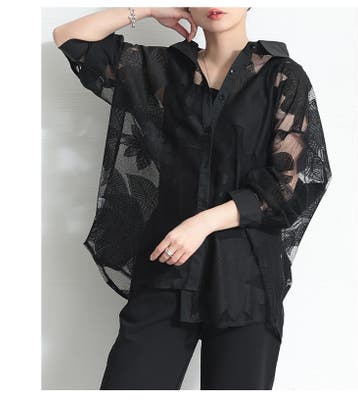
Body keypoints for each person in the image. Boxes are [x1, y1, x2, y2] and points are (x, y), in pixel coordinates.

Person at [53, 6, 332, 390]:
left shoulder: (282, 77)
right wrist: (148, 9)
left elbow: (295, 183)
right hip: (167, 269)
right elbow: (70, 38)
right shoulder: (165, 70)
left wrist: (203, 223)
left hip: (247, 280)